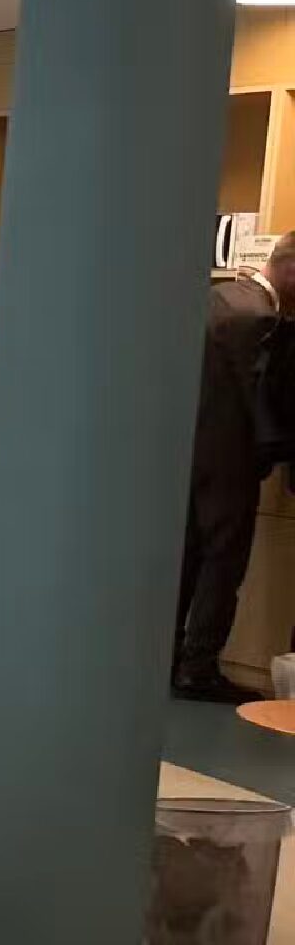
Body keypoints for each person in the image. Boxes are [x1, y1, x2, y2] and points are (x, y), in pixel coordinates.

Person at [175, 232, 295, 703]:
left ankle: (170, 656)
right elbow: (263, 402)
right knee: (222, 565)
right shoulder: (259, 319)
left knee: (185, 561)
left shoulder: (218, 297)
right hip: (231, 460)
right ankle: (198, 668)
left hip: (187, 454)